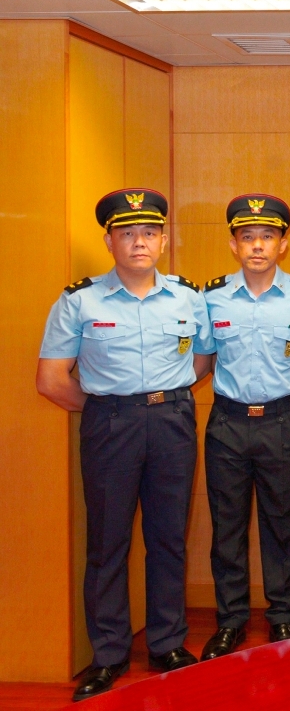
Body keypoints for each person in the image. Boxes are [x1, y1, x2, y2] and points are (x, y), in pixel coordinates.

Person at [36, 189, 211, 701]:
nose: (139, 242)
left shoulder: (187, 296)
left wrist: (163, 396)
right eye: (128, 233)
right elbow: (50, 379)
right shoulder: (79, 300)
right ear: (109, 240)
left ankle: (167, 644)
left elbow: (200, 361)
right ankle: (109, 653)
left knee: (168, 538)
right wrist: (105, 407)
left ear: (163, 239)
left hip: (172, 421)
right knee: (108, 543)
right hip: (110, 424)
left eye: (149, 232)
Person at [199, 194, 290, 660]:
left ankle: (283, 616)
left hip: (279, 421)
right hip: (227, 423)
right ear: (234, 245)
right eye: (247, 237)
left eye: (267, 237)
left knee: (281, 521)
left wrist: (284, 386)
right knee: (227, 526)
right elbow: (204, 358)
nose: (257, 246)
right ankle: (229, 621)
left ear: (283, 244)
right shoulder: (209, 297)